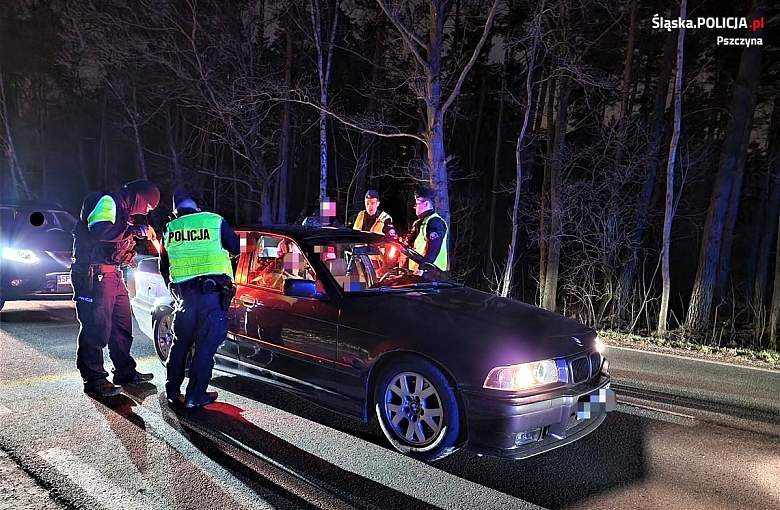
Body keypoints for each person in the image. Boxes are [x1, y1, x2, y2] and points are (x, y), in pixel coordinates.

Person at [71, 179, 160, 397]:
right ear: (139, 197)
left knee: (121, 325)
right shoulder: (108, 202)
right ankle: (94, 380)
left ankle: (125, 372)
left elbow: (114, 241)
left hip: (111, 274)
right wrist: (133, 229)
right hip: (94, 274)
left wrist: (130, 241)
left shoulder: (122, 211)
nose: (146, 211)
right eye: (147, 206)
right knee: (96, 327)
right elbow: (101, 231)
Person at [159, 192, 239, 409]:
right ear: (197, 207)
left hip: (184, 297)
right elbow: (236, 248)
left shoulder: (169, 229)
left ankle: (172, 392)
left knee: (180, 344)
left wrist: (174, 290)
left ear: (176, 210)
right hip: (212, 297)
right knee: (205, 347)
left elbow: (164, 267)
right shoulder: (213, 221)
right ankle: (196, 395)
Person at [405, 185, 449, 276]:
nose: (414, 207)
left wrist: (424, 269)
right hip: (418, 273)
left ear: (426, 204)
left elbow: (434, 248)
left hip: (432, 275)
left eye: (417, 203)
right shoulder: (419, 223)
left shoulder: (435, 222)